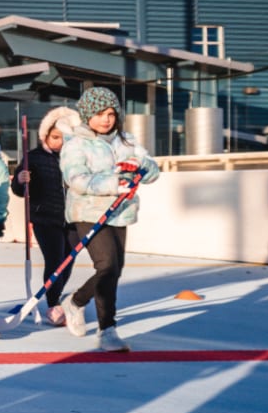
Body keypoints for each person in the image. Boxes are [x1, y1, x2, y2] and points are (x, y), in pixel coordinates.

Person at [58, 87, 159, 351]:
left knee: (114, 270)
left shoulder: (126, 141)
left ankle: (76, 302)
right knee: (107, 265)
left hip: (119, 212)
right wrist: (114, 183)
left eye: (111, 114)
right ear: (87, 115)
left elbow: (152, 168)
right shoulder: (76, 144)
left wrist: (142, 167)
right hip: (88, 212)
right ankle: (107, 330)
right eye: (100, 113)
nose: (106, 119)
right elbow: (76, 179)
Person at [12, 106, 78, 325]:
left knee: (68, 260)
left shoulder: (74, 158)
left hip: (71, 218)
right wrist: (21, 180)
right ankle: (53, 304)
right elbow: (18, 190)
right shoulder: (33, 157)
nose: (60, 142)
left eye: (65, 137)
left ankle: (55, 293)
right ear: (45, 135)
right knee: (55, 260)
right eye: (56, 137)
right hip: (46, 218)